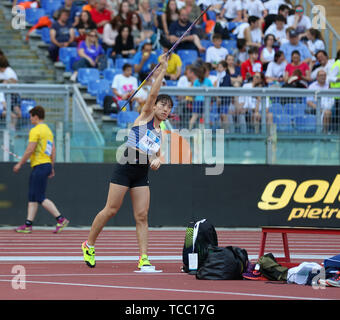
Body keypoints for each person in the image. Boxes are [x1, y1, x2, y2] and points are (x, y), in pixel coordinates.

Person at [81, 54, 173, 269]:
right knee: (111, 209)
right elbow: (153, 94)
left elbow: (160, 155)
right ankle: (89, 244)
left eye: (169, 107)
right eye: (163, 105)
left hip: (141, 173)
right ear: (155, 106)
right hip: (125, 166)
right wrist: (163, 69)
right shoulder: (145, 116)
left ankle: (143, 257)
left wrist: (159, 160)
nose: (165, 109)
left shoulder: (162, 132)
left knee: (142, 216)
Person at [13, 106, 69, 234]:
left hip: (39, 165)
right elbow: (52, 150)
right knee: (32, 196)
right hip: (46, 164)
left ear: (36, 117)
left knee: (39, 197)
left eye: (31, 116)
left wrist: (20, 164)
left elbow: (30, 149)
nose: (30, 119)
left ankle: (60, 219)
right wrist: (51, 166)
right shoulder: (48, 131)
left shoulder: (35, 130)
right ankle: (28, 224)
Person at [188, 65, 213, 130]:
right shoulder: (208, 81)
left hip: (197, 101)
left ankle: (189, 130)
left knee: (194, 116)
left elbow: (193, 92)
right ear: (205, 73)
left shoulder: (196, 81)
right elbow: (212, 91)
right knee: (203, 117)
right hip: (205, 102)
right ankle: (201, 132)